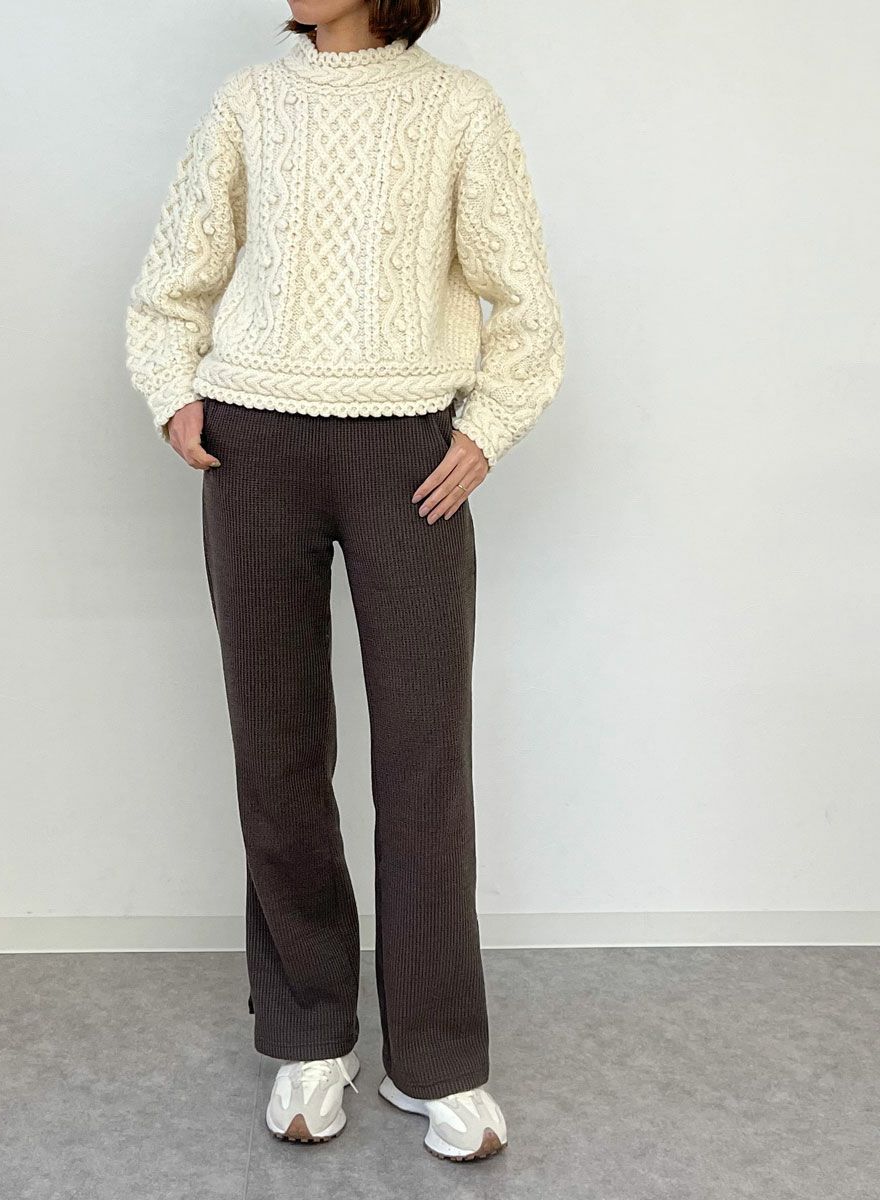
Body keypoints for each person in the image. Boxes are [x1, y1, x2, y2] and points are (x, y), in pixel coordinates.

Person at [125, 0, 565, 1164]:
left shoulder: (457, 107)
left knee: (424, 756)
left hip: (407, 452)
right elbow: (173, 277)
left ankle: (438, 1061)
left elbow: (524, 297)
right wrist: (174, 392)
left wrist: (488, 425)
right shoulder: (248, 101)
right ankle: (309, 1034)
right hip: (253, 447)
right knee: (276, 751)